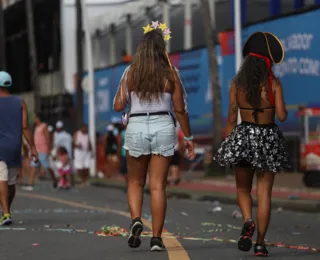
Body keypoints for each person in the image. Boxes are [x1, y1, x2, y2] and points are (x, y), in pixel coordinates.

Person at [113, 21, 195, 251]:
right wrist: (188, 138)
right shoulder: (171, 73)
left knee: (135, 181)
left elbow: (118, 105)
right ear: (162, 49)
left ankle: (136, 220)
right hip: (163, 125)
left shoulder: (131, 72)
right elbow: (180, 109)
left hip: (137, 124)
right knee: (158, 185)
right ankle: (157, 239)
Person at [214, 32, 290, 257]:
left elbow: (230, 119)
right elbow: (283, 116)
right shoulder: (273, 84)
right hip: (267, 139)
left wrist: (228, 144)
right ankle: (260, 244)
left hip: (244, 137)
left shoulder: (236, 85)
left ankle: (248, 220)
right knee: (264, 193)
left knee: (242, 188)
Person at [0, 71, 38, 225]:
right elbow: (25, 127)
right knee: (11, 182)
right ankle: (6, 210)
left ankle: (6, 212)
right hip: (15, 146)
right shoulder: (20, 102)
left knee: (1, 178)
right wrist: (33, 148)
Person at [24, 112, 57, 191]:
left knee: (47, 167)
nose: (34, 119)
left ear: (39, 118)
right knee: (33, 167)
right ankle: (30, 184)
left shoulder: (44, 126)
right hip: (36, 150)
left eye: (35, 117)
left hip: (43, 150)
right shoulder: (36, 127)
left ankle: (55, 180)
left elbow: (47, 138)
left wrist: (49, 149)